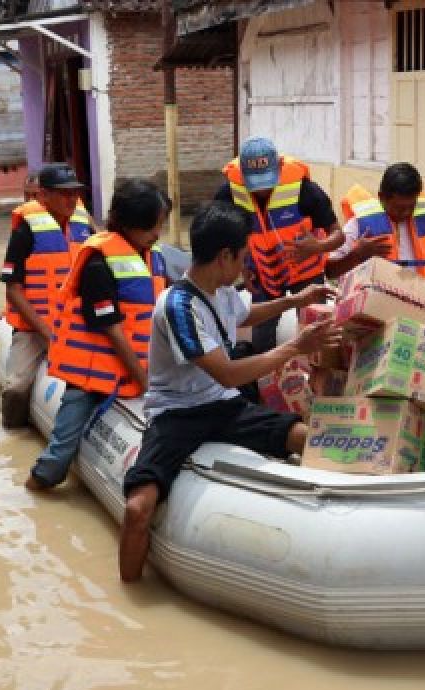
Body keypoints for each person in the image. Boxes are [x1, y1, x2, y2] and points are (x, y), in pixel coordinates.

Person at [118, 202, 340, 582]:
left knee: (307, 437)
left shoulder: (220, 290)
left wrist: (296, 300)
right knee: (139, 509)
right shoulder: (179, 306)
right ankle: (130, 601)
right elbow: (227, 375)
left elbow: (243, 315)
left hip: (223, 407)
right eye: (243, 257)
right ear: (224, 257)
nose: (246, 266)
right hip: (177, 414)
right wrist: (294, 348)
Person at [24, 179, 167, 491]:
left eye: (161, 225)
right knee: (60, 454)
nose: (158, 234)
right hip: (91, 380)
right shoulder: (98, 263)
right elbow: (112, 329)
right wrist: (143, 380)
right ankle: (38, 480)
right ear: (130, 224)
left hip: (135, 371)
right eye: (153, 227)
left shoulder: (152, 256)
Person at [216, 137, 343, 354]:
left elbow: (338, 234)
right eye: (255, 183)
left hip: (306, 273)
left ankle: (315, 379)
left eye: (267, 181)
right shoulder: (229, 193)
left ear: (280, 167)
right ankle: (262, 382)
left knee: (316, 331)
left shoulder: (306, 190)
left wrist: (318, 247)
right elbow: (224, 236)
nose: (262, 190)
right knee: (261, 335)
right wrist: (243, 268)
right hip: (263, 274)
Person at [0, 164, 95, 428]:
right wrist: (47, 334)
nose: (71, 199)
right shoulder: (25, 232)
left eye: (75, 193)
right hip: (34, 329)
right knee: (17, 388)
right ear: (43, 196)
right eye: (64, 193)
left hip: (74, 326)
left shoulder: (85, 228)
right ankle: (13, 433)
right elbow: (13, 290)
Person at [329, 162, 425, 288]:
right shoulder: (359, 225)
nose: (406, 213)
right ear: (381, 197)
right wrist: (357, 254)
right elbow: (330, 271)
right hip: (379, 304)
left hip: (424, 302)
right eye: (399, 208)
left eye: (412, 206)